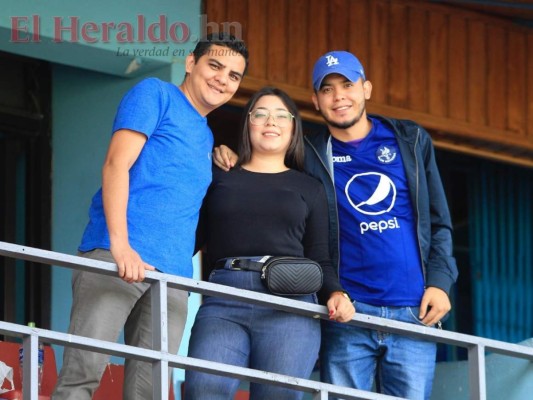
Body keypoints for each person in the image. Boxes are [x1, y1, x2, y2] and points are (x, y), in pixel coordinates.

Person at [213, 51, 458, 400]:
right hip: (345, 310)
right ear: (315, 100)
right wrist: (236, 160)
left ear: (366, 88)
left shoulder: (410, 140)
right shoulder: (308, 152)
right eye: (327, 89)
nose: (339, 96)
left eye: (347, 85)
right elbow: (271, 171)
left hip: (413, 309)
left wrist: (441, 282)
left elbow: (439, 222)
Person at [52, 32, 248, 400]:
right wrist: (121, 245)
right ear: (191, 63)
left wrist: (222, 159)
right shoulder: (155, 94)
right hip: (118, 257)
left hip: (172, 277)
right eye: (215, 66)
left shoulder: (206, 137)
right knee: (82, 376)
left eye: (234, 75)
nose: (223, 78)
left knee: (150, 392)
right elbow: (115, 165)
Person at [184, 87, 355, 400]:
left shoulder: (310, 187)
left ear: (293, 128)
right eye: (260, 114)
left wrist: (336, 292)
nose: (270, 122)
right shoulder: (220, 177)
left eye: (281, 116)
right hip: (225, 297)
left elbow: (320, 257)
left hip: (289, 302)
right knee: (202, 390)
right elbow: (192, 238)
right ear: (248, 124)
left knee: (278, 396)